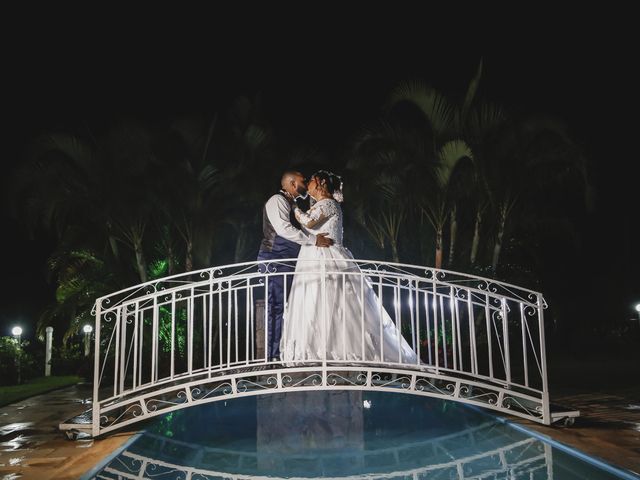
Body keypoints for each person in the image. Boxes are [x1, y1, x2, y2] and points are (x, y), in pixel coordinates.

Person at [280, 170, 417, 365]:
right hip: (312, 258)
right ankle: (316, 349)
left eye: (311, 180)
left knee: (336, 304)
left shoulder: (328, 204)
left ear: (320, 183)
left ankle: (340, 349)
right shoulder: (319, 204)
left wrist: (293, 207)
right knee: (315, 303)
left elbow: (309, 222)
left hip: (329, 258)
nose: (308, 183)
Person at [257, 171, 334, 361]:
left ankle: (290, 351)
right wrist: (314, 240)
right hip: (275, 259)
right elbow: (284, 230)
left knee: (294, 307)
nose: (306, 182)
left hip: (290, 261)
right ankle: (272, 356)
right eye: (303, 180)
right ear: (292, 184)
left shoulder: (293, 203)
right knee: (276, 306)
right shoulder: (277, 200)